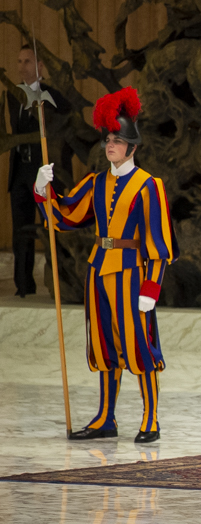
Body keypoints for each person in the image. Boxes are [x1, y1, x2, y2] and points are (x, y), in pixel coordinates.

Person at [34, 86, 177, 443]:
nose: (110, 145)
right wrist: (43, 191)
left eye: (117, 139)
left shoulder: (149, 186)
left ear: (132, 146)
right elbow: (66, 216)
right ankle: (105, 418)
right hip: (98, 270)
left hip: (132, 272)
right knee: (103, 346)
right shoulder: (96, 182)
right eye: (108, 139)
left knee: (139, 346)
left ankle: (150, 419)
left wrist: (152, 287)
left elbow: (159, 242)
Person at [7, 45, 71, 297]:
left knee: (51, 227)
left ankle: (58, 284)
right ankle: (23, 286)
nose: (22, 66)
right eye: (19, 61)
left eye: (27, 61)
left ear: (40, 66)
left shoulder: (53, 96)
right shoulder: (13, 95)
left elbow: (64, 132)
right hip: (20, 172)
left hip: (44, 173)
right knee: (20, 231)